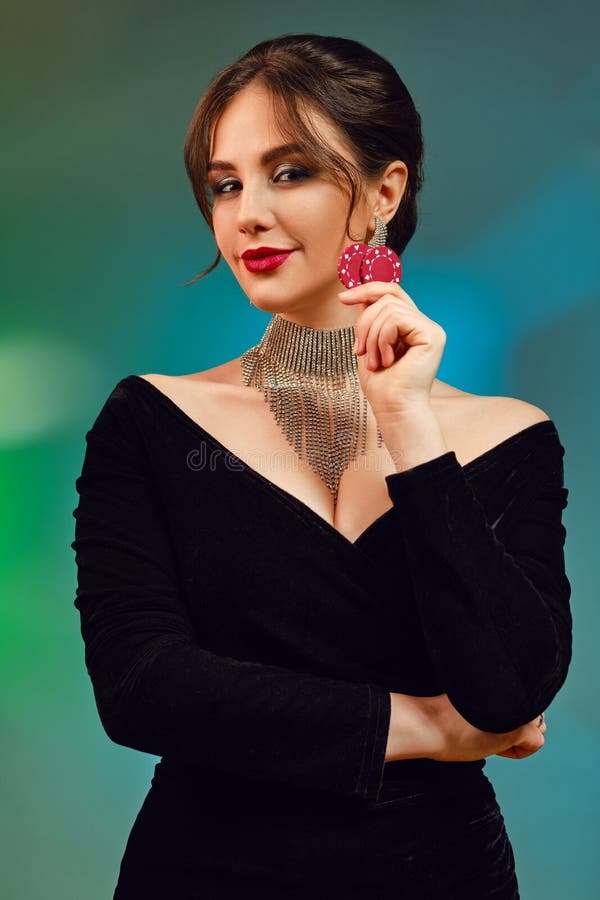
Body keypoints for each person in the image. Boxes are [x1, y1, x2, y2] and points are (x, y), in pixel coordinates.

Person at [71, 34, 572, 899]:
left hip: (440, 876)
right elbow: (142, 687)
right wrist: (422, 727)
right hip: (201, 874)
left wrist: (408, 423)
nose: (246, 214)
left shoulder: (510, 436)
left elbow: (509, 692)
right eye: (225, 184)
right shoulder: (151, 420)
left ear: (385, 190)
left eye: (290, 171)